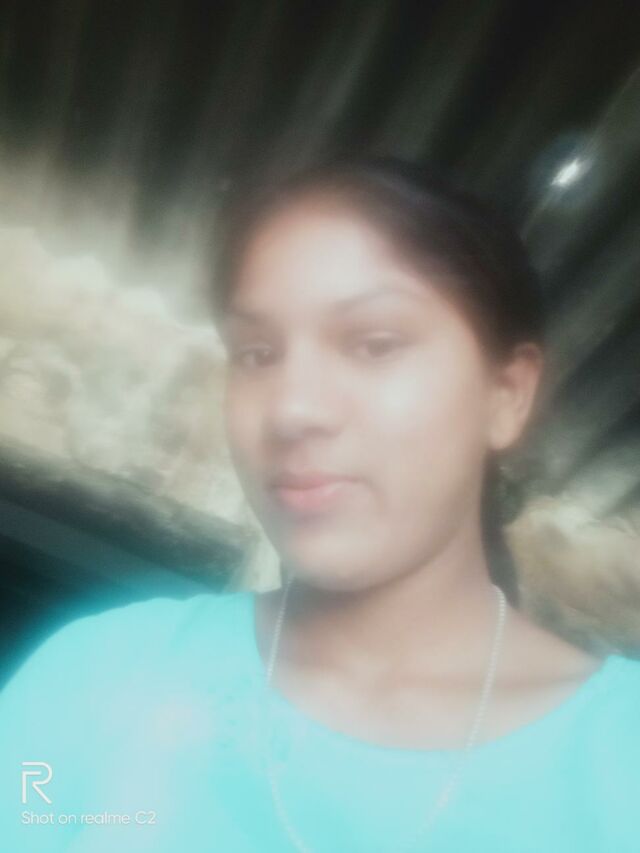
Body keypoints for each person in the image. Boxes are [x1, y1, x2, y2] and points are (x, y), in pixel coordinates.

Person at [1, 156, 638, 853]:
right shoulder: (94, 676)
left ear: (506, 395)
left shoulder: (619, 763)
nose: (292, 409)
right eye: (256, 353)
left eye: (374, 343)